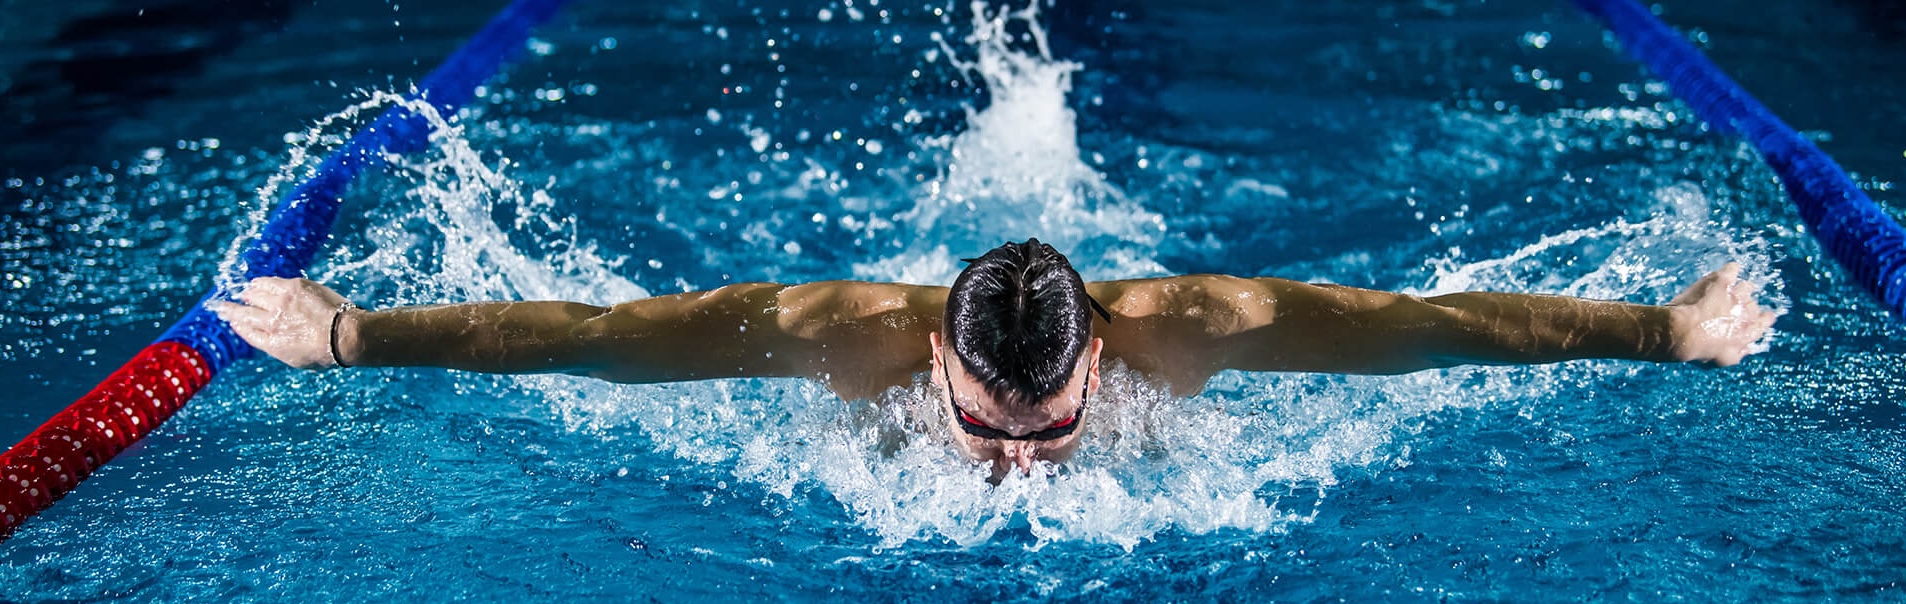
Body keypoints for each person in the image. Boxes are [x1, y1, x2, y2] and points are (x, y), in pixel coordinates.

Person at [212, 239, 1776, 476]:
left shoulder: (1205, 326)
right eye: (985, 422)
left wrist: (1663, 331)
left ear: (1102, 349)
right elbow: (599, 343)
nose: (1008, 461)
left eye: (1042, 430)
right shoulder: (836, 340)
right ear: (935, 362)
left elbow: (1438, 331)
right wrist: (350, 335)